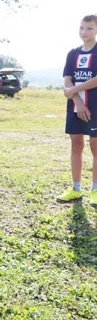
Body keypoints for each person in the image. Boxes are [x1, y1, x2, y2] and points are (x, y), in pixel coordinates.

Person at [57, 14, 97, 205]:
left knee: (95, 147)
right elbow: (67, 80)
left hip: (95, 107)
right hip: (75, 107)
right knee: (76, 145)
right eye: (81, 28)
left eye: (89, 28)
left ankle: (95, 190)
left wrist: (74, 90)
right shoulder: (73, 53)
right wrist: (78, 101)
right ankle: (76, 189)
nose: (84, 32)